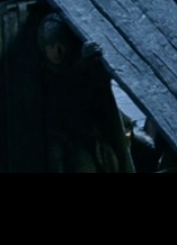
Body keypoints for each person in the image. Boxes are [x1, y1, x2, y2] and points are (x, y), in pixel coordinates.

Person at [40, 14, 134, 174]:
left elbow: (100, 89)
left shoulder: (81, 64)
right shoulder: (47, 76)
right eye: (49, 48)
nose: (55, 53)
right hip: (72, 142)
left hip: (98, 134)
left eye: (58, 46)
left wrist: (90, 63)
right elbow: (66, 100)